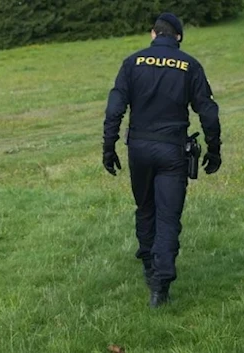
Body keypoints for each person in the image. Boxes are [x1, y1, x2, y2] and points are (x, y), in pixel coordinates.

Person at [102, 12, 222, 308]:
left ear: (153, 34)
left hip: (139, 148)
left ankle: (149, 266)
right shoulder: (189, 65)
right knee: (168, 216)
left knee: (145, 208)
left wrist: (109, 147)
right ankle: (160, 286)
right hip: (172, 150)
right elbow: (207, 111)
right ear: (178, 37)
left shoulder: (132, 62)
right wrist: (214, 149)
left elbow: (114, 108)